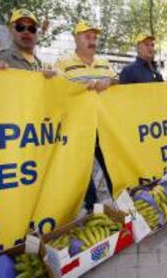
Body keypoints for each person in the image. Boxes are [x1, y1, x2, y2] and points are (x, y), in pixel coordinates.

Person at [54, 21, 117, 209]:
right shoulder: (63, 64)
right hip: (77, 127)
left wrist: (110, 81)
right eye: (87, 37)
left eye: (94, 37)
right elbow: (56, 89)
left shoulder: (105, 64)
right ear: (76, 39)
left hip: (104, 127)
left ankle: (120, 201)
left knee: (112, 165)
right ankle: (91, 207)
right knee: (83, 169)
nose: (92, 41)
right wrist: (81, 88)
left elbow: (118, 83)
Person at [0, 9, 55, 77]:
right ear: (11, 30)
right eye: (20, 27)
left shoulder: (39, 63)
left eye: (31, 28)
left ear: (36, 33)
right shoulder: (0, 58)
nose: (26, 32)